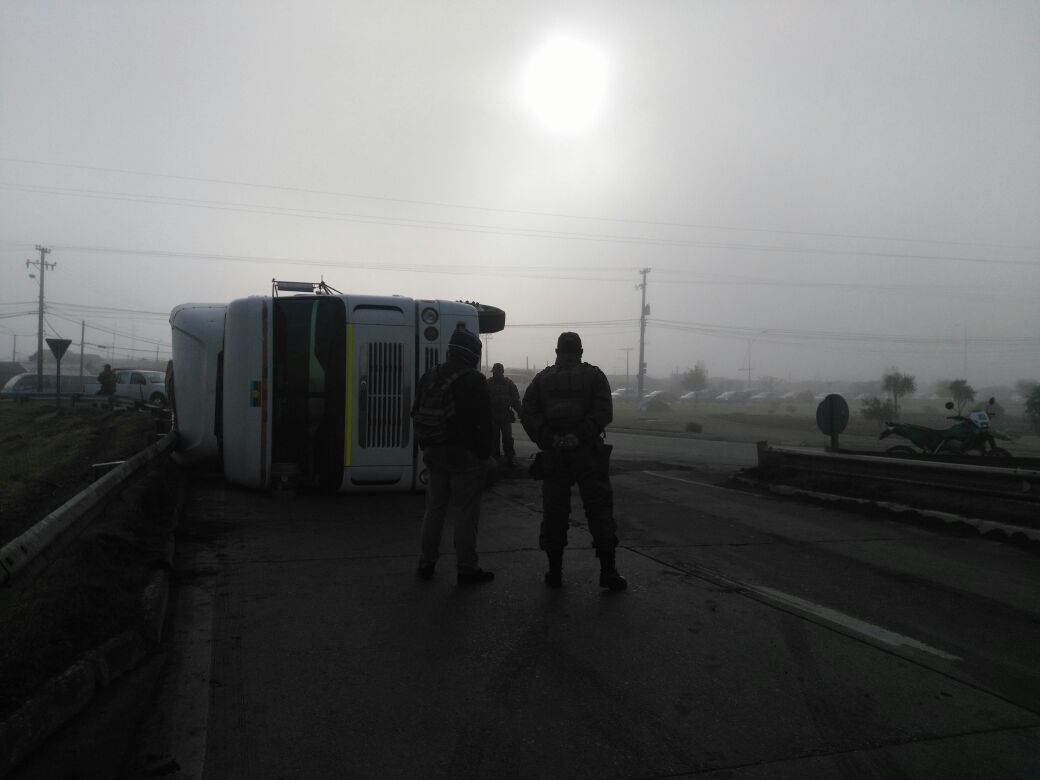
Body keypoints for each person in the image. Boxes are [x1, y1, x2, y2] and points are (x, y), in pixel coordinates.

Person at [521, 332, 627, 591]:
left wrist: (549, 438)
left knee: (554, 512)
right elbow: (604, 412)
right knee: (599, 510)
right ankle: (608, 572)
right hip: (588, 454)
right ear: (580, 351)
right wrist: (579, 437)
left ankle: (554, 572)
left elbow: (528, 413)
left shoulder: (542, 379)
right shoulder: (594, 376)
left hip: (555, 456)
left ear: (557, 351)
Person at [413, 327, 495, 585]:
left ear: (451, 350)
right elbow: (485, 425)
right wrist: (487, 457)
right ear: (473, 353)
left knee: (434, 510)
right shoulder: (474, 380)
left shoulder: (429, 376)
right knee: (465, 514)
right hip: (464, 458)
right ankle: (466, 569)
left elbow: (416, 411)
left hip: (434, 453)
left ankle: (426, 563)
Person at [488, 363, 521, 467]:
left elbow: (516, 400)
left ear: (501, 372)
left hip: (505, 414)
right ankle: (495, 459)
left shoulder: (509, 384)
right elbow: (482, 400)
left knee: (507, 439)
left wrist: (521, 413)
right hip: (493, 415)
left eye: (496, 372)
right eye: (494, 372)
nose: (494, 374)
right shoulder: (488, 383)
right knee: (494, 439)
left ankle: (509, 459)